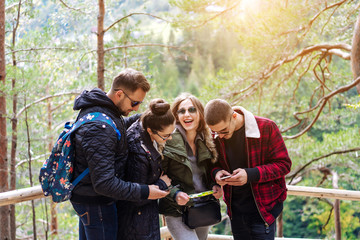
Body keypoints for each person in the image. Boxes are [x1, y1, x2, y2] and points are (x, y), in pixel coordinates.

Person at [70, 68, 169, 240]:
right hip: (97, 203)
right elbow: (104, 183)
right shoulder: (100, 129)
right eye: (134, 103)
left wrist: (148, 116)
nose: (136, 107)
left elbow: (119, 126)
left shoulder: (100, 108)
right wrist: (145, 191)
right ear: (119, 94)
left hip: (88, 199)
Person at [204, 99, 292, 240]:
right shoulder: (216, 135)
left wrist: (250, 174)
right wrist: (216, 173)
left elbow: (284, 164)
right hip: (235, 211)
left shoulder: (267, 127)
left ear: (234, 116)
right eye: (215, 132)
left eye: (223, 131)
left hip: (263, 211)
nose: (219, 136)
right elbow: (211, 164)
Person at [159, 93, 222, 240]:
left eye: (192, 109)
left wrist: (215, 186)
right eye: (182, 111)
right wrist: (175, 194)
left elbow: (209, 172)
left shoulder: (207, 139)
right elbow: (159, 176)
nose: (187, 114)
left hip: (203, 208)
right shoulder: (168, 139)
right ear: (176, 116)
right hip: (177, 211)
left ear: (200, 113)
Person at [117, 98, 176, 240]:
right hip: (136, 222)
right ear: (150, 130)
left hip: (144, 216)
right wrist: (162, 184)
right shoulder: (137, 151)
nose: (170, 138)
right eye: (166, 135)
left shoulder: (146, 123)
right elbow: (135, 196)